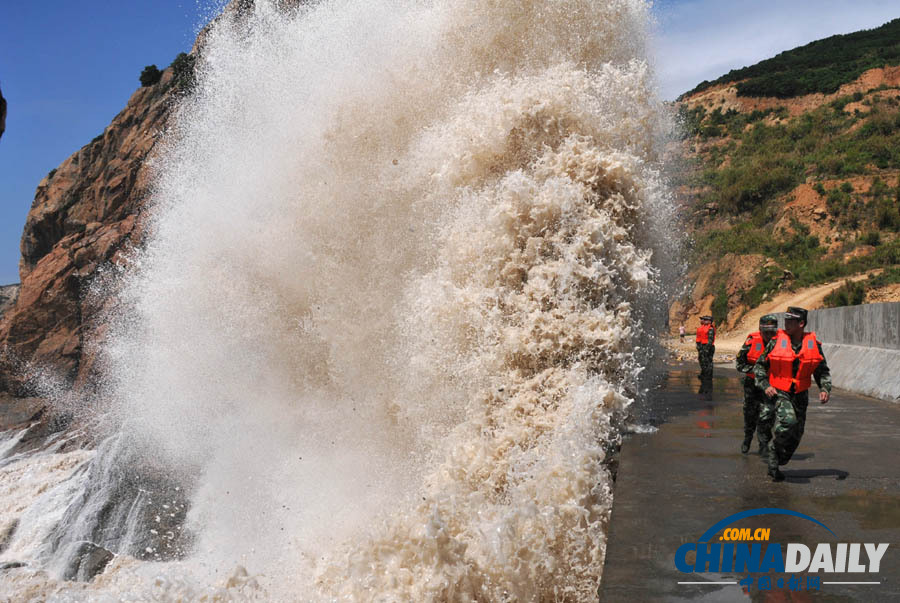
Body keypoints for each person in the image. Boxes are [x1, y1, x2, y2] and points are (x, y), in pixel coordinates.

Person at [753, 307, 832, 482]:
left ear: (801, 323)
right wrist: (765, 385)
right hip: (780, 392)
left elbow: (822, 371)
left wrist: (825, 388)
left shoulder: (814, 346)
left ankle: (777, 460)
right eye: (786, 320)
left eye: (790, 321)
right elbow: (759, 366)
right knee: (788, 422)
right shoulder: (775, 342)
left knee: (796, 436)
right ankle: (773, 449)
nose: (786, 324)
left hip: (800, 395)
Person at [735, 315, 779, 454]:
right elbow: (739, 364)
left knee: (768, 414)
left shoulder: (780, 342)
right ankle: (747, 438)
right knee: (750, 414)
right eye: (766, 332)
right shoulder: (752, 341)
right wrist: (756, 371)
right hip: (752, 384)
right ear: (760, 330)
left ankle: (763, 444)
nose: (769, 335)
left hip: (771, 385)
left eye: (772, 332)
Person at [696, 315, 716, 394]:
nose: (702, 320)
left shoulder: (710, 329)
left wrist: (707, 349)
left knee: (708, 362)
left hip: (708, 347)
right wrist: (699, 347)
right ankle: (704, 373)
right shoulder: (702, 327)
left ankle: (708, 376)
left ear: (709, 321)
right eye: (702, 319)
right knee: (702, 360)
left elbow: (710, 340)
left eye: (704, 319)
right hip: (702, 346)